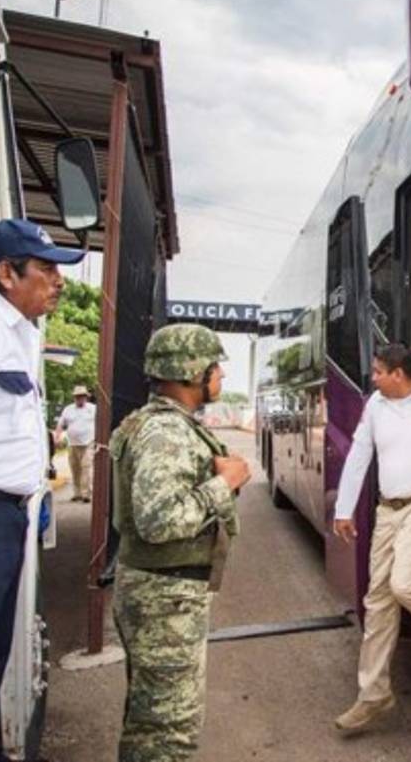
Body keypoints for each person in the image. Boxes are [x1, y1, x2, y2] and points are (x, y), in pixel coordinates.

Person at [0, 219, 84, 762]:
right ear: (6, 273)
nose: (58, 282)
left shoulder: (21, 332)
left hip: (9, 515)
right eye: (47, 270)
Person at [110, 323, 251, 762]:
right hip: (164, 599)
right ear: (192, 371)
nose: (221, 378)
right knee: (169, 734)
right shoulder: (166, 433)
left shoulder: (160, 424)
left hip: (162, 595)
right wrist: (224, 484)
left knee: (151, 721)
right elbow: (159, 520)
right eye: (216, 368)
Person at [332, 343, 411, 734]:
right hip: (388, 510)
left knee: (406, 584)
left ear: (399, 374)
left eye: (379, 371)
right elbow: (359, 455)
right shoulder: (376, 406)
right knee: (378, 601)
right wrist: (344, 509)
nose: (373, 377)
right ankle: (373, 695)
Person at [55, 384, 96, 501]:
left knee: (86, 467)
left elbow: (100, 422)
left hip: (88, 442)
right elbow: (60, 424)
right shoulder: (68, 409)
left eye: (82, 396)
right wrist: (57, 437)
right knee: (75, 469)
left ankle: (86, 494)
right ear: (74, 397)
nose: (80, 398)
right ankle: (77, 493)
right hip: (73, 444)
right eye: (78, 396)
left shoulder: (92, 409)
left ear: (86, 397)